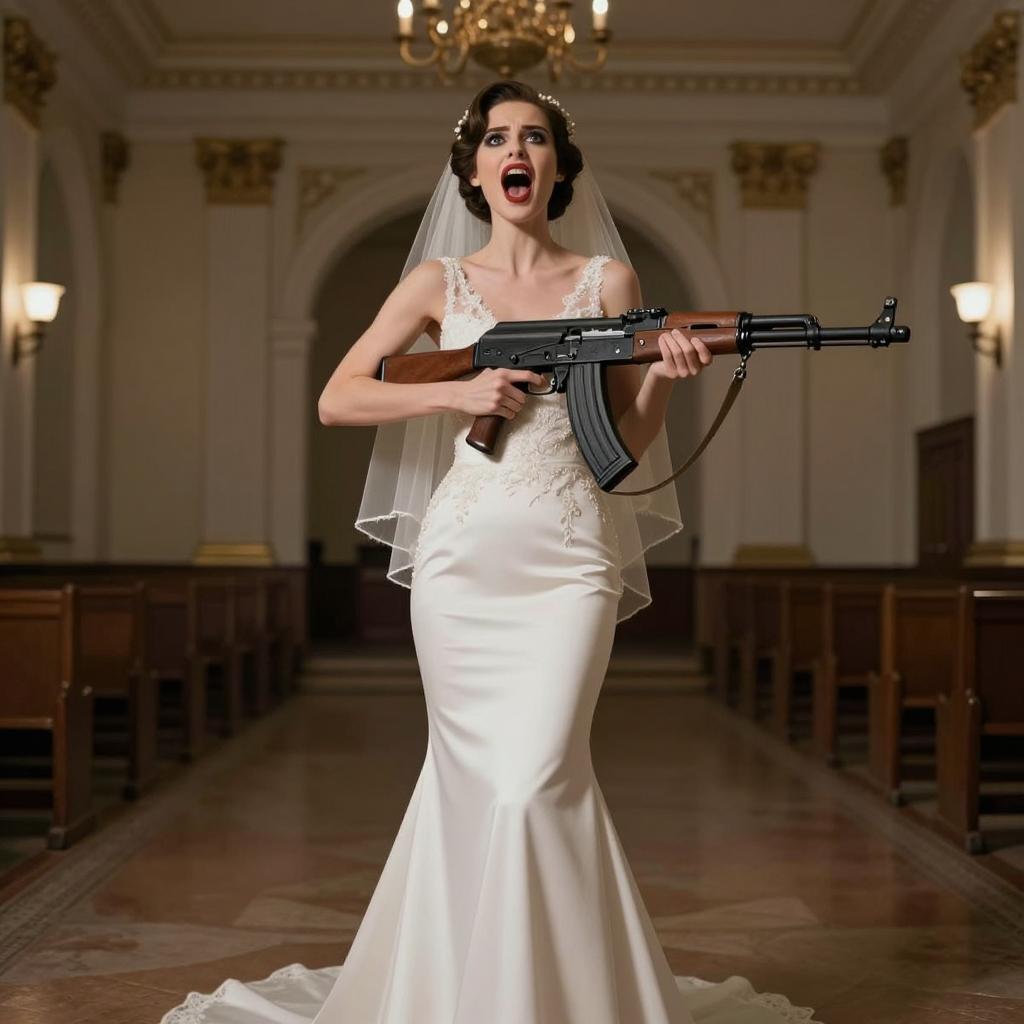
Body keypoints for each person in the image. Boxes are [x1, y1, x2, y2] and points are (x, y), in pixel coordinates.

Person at [160, 80, 821, 1024]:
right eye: (499, 138)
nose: (518, 150)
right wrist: (457, 395)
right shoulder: (438, 285)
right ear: (474, 169)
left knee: (541, 773)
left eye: (537, 138)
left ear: (556, 167)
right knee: (474, 782)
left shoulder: (612, 284)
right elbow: (338, 397)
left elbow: (622, 449)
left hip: (571, 560)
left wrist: (670, 381)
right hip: (463, 562)